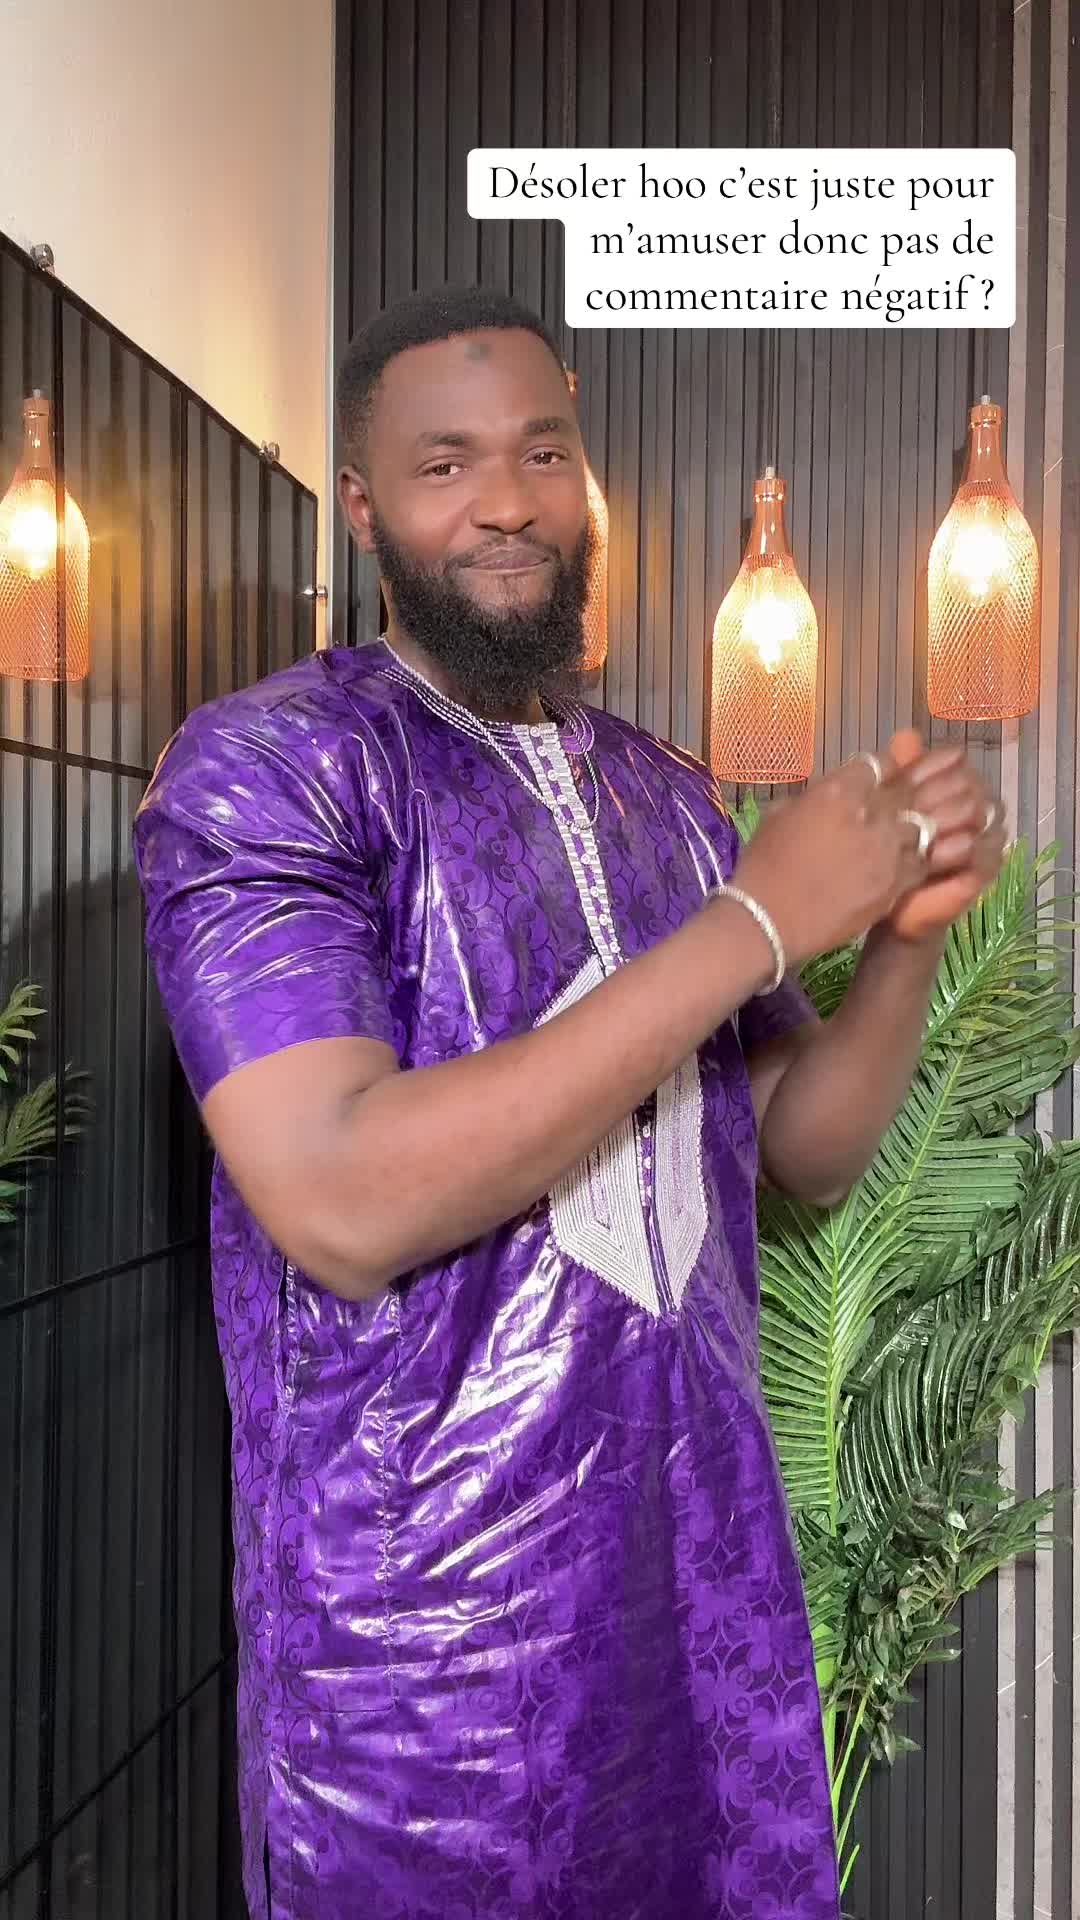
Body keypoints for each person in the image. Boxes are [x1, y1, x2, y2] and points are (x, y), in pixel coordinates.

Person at [134, 285, 1005, 1920]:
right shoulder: (270, 770)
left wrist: (898, 944)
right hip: (431, 1674)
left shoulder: (668, 797)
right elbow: (338, 1198)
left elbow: (792, 1155)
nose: (508, 501)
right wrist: (756, 922)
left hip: (698, 1614)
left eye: (543, 451)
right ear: (365, 502)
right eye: (446, 464)